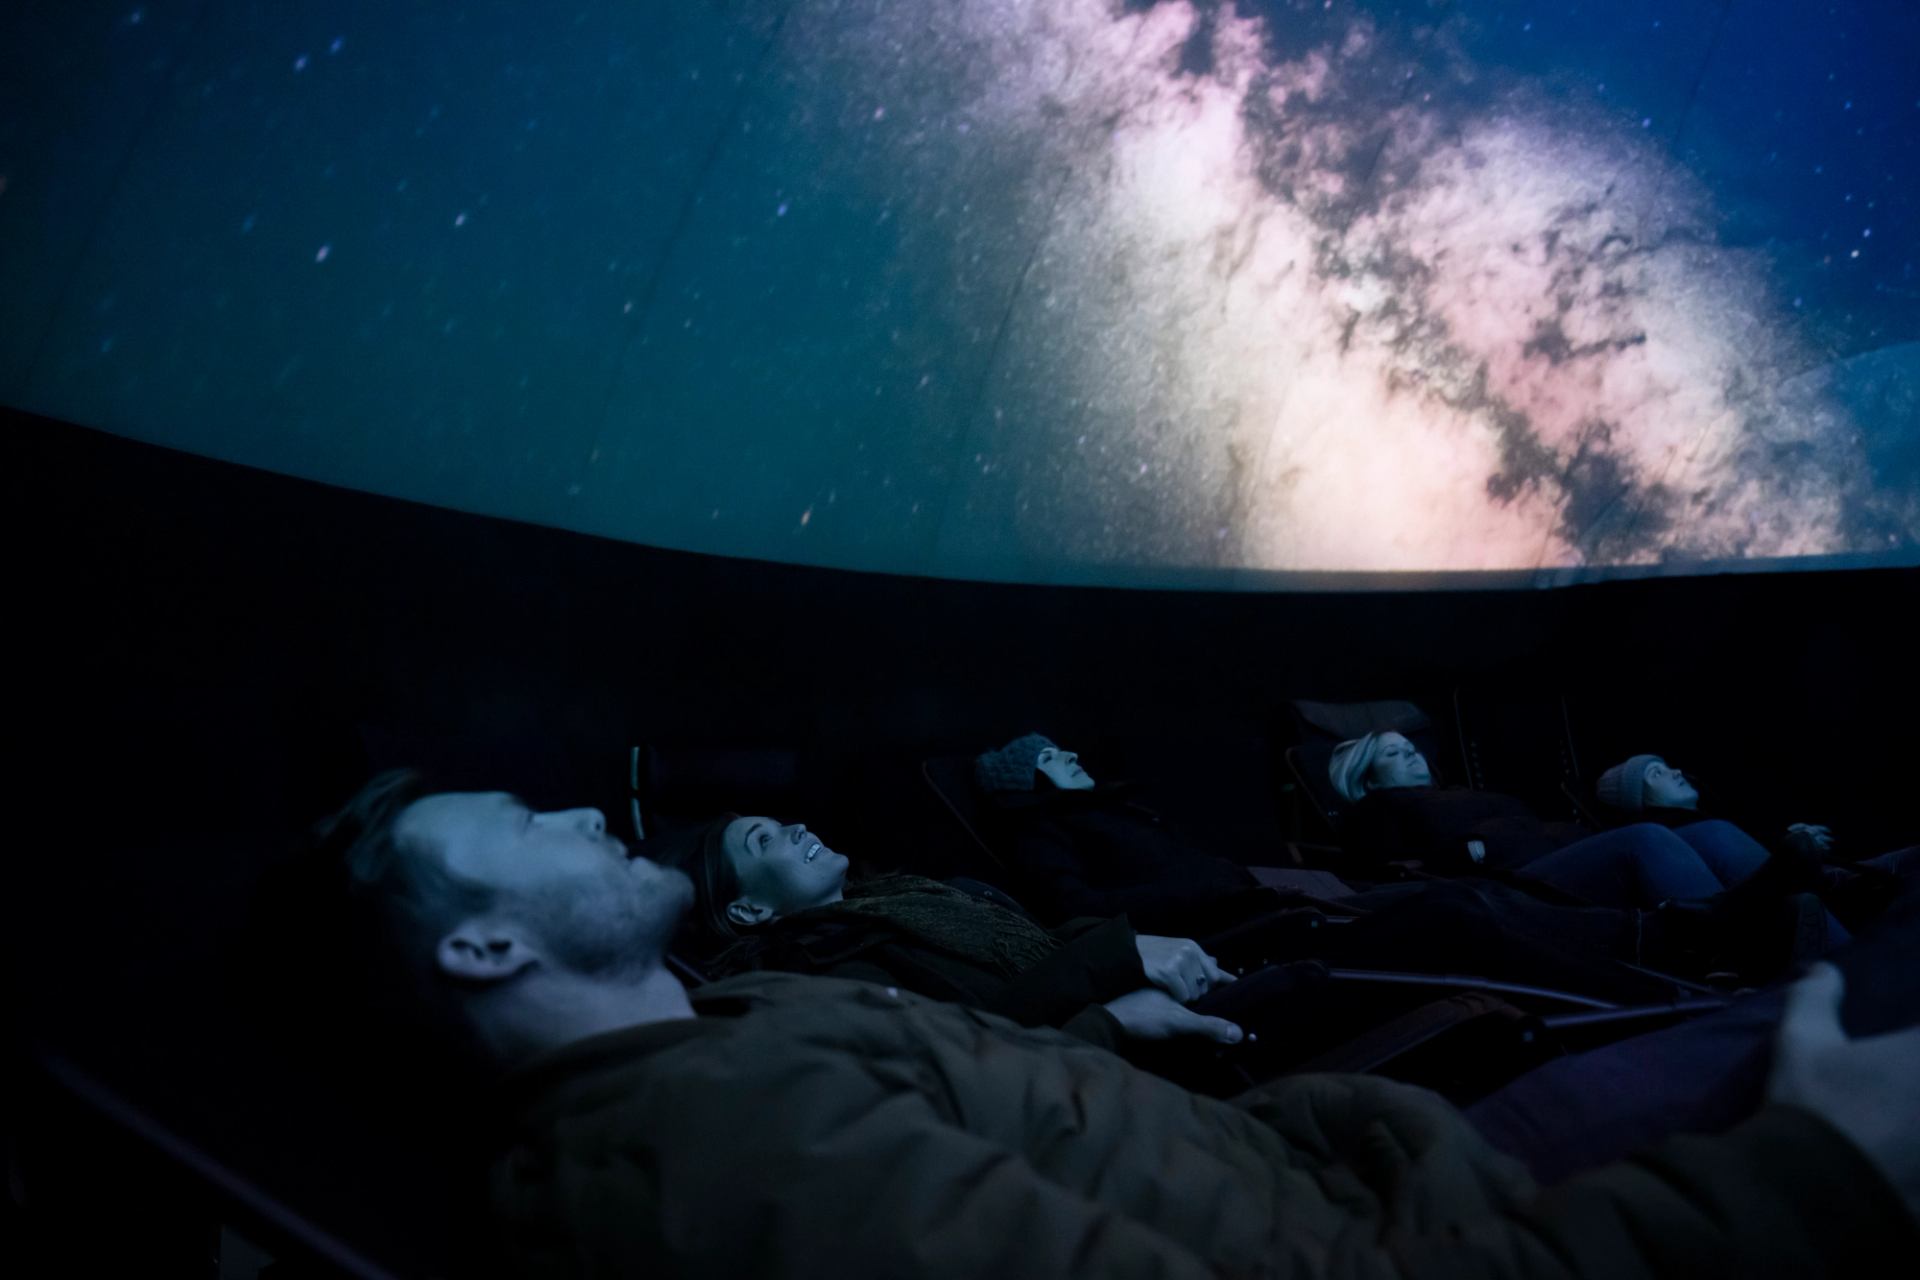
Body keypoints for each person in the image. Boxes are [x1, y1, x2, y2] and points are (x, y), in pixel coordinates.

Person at [257, 770, 1920, 1277]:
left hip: (1400, 1176)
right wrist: (1814, 1173)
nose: (576, 817)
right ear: (480, 942)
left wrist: (1130, 1026)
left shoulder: (736, 1032)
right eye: (520, 823)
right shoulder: (703, 1149)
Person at [671, 811, 1247, 1053]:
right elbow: (968, 1046)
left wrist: (1129, 946)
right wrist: (1115, 1003)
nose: (795, 826)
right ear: (748, 911)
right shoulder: (820, 968)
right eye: (764, 840)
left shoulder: (900, 897)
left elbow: (1037, 935)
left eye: (778, 822)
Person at [1330, 731, 1847, 960]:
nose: (1414, 754)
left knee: (1709, 832)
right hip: (1510, 885)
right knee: (1646, 839)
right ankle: (1747, 949)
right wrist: (1467, 853)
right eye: (1396, 753)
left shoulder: (1460, 793)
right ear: (1368, 779)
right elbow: (1381, 870)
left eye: (1412, 745)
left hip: (1562, 853)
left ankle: (1841, 927)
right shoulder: (1376, 809)